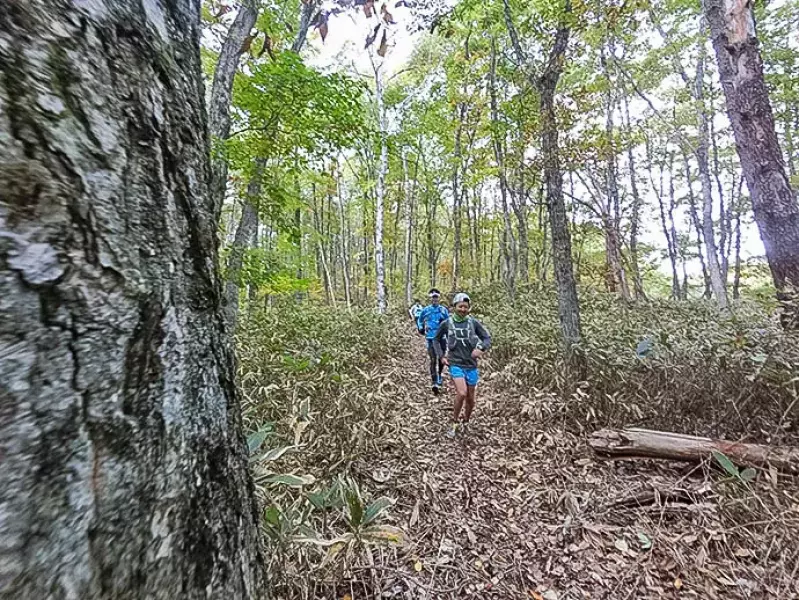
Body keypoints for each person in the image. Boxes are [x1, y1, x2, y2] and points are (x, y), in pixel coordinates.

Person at [434, 292, 491, 438]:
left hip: (471, 365)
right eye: (460, 306)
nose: (463, 309)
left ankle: (466, 421)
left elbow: (486, 338)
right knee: (462, 392)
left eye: (466, 307)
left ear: (469, 308)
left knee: (471, 399)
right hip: (456, 363)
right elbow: (436, 339)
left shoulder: (473, 322)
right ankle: (454, 423)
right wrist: (441, 356)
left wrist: (481, 349)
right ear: (454, 307)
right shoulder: (447, 323)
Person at [416, 288, 449, 395]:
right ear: (430, 298)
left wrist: (449, 336)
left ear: (439, 298)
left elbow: (448, 323)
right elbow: (420, 320)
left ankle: (439, 375)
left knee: (441, 359)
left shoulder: (443, 310)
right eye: (433, 297)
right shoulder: (426, 310)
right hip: (430, 338)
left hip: (441, 338)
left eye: (436, 297)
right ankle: (434, 381)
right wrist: (420, 328)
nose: (434, 299)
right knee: (433, 359)